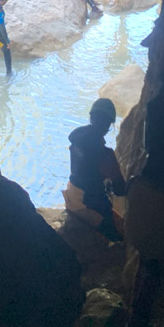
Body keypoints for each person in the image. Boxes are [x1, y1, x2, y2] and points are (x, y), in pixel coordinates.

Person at [63, 98, 126, 241]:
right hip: (88, 204)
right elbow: (120, 189)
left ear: (91, 117)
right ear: (109, 125)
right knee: (122, 235)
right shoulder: (104, 154)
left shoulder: (76, 140)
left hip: (72, 195)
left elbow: (82, 170)